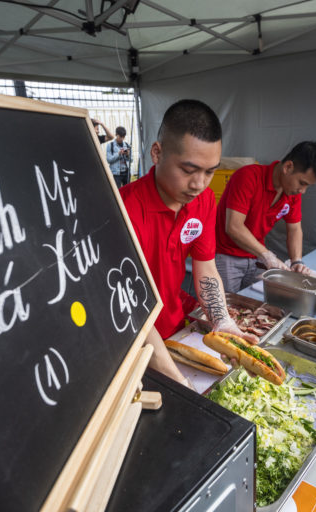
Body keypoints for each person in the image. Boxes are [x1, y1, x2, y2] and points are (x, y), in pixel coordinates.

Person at [119, 99, 257, 388]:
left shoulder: (204, 200)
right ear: (157, 153)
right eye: (189, 169)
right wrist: (178, 381)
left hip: (176, 323)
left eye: (209, 172)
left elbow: (205, 267)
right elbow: (129, 309)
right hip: (131, 339)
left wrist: (222, 321)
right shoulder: (121, 210)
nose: (199, 184)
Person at [214, 141, 316, 293]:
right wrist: (267, 255)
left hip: (256, 257)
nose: (303, 191)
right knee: (224, 308)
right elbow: (234, 227)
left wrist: (296, 261)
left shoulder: (291, 192)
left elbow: (294, 228)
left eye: (308, 186)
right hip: (226, 255)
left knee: (257, 304)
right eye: (302, 183)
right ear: (288, 167)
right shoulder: (248, 176)